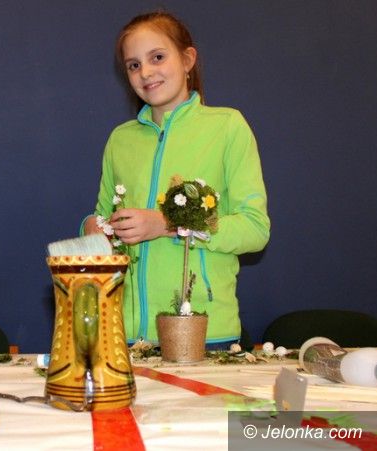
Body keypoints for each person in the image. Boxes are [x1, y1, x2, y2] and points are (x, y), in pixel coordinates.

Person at [81, 12, 270, 347]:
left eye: (157, 57)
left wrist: (167, 224)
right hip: (125, 335)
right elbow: (103, 214)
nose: (145, 72)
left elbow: (255, 229)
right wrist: (93, 228)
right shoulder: (120, 139)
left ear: (187, 60)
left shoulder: (227, 126)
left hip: (201, 332)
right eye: (133, 65)